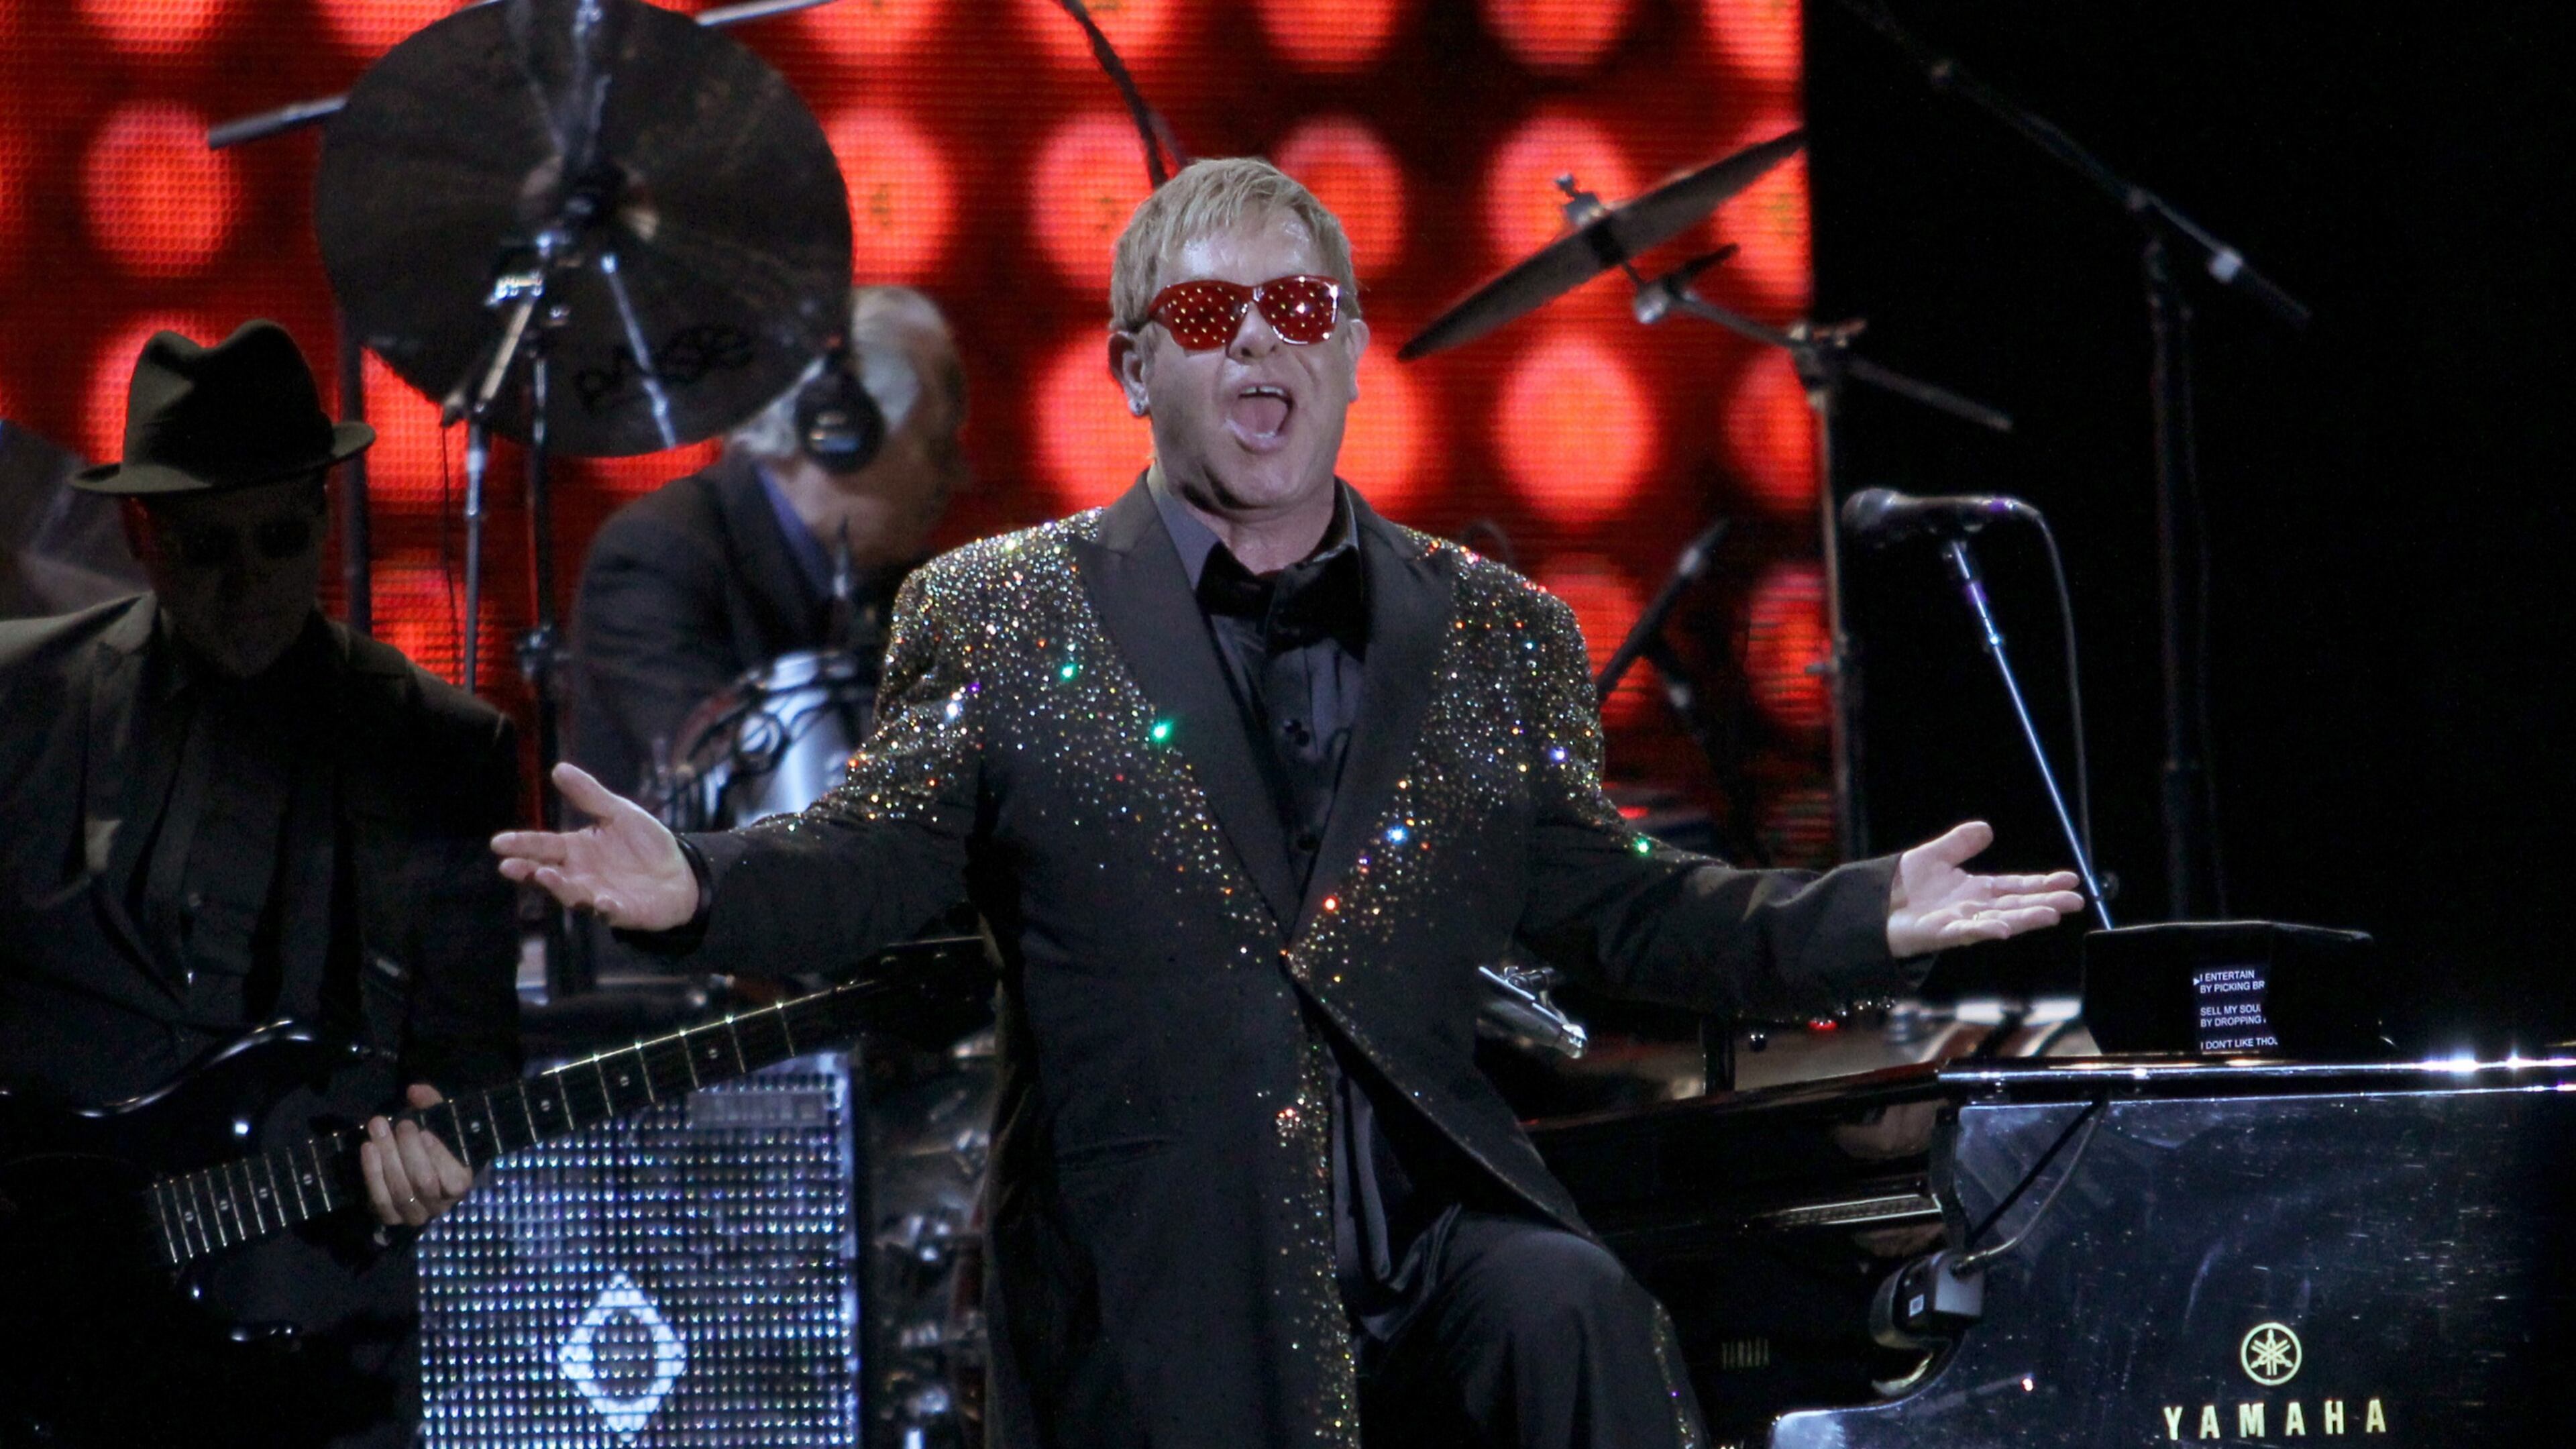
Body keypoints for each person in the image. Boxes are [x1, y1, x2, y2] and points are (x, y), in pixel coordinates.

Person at [494, 160, 2085, 1449]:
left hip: (1423, 1214)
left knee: (1571, 1307)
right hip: (1158, 1228)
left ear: (1339, 349)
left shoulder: (1489, 627)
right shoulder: (998, 610)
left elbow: (1623, 904)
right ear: (1132, 363)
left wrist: (1860, 913)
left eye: (1297, 306)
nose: (1260, 342)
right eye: (1209, 309)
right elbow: (873, 853)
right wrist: (697, 883)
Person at [0, 321, 518, 1447]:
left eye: (279, 540)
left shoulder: (439, 748)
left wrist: (436, 1148)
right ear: (142, 534)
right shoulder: (17, 699)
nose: (247, 585)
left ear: (327, 518)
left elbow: (470, 1058)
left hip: (308, 1323)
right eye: (206, 547)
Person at [568, 285, 971, 804]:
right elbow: (730, 792)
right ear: (840, 435)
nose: (958, 476)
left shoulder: (914, 586)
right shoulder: (655, 559)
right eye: (936, 446)